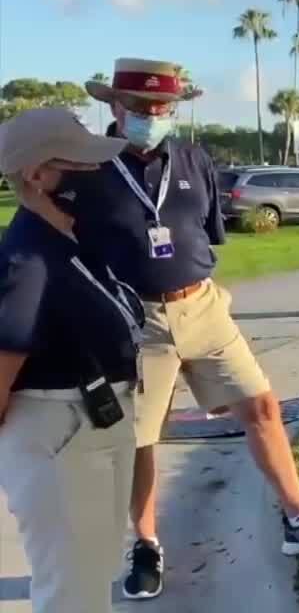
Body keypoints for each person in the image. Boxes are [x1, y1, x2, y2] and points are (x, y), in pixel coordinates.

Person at [68, 58, 299, 600]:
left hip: (204, 309)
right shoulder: (87, 170)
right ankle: (145, 545)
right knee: (140, 440)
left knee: (262, 406)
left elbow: (204, 232)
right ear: (114, 106)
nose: (154, 115)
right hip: (136, 320)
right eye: (141, 107)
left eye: (163, 107)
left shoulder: (192, 157)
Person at [0, 108, 145, 612]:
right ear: (37, 175)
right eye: (81, 163)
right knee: (70, 594)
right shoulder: (27, 260)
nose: (96, 173)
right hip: (56, 434)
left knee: (93, 579)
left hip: (100, 421)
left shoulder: (72, 238)